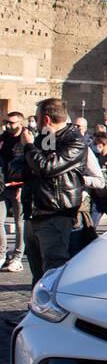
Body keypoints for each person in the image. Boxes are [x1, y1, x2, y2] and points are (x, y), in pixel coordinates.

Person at [5, 98, 86, 285]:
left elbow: (46, 167)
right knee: (37, 274)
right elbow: (15, 169)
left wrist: (29, 148)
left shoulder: (74, 140)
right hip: (33, 212)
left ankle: (53, 312)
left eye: (37, 117)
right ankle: (36, 311)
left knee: (53, 272)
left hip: (55, 214)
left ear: (46, 119)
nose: (34, 122)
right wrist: (34, 165)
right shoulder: (46, 138)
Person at [1, 112, 27, 272]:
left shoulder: (27, 139)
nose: (9, 125)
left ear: (20, 122)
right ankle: (1, 253)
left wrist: (23, 186)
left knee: (19, 223)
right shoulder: (3, 139)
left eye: (12, 122)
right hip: (2, 185)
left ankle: (17, 256)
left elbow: (31, 164)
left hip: (19, 186)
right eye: (7, 122)